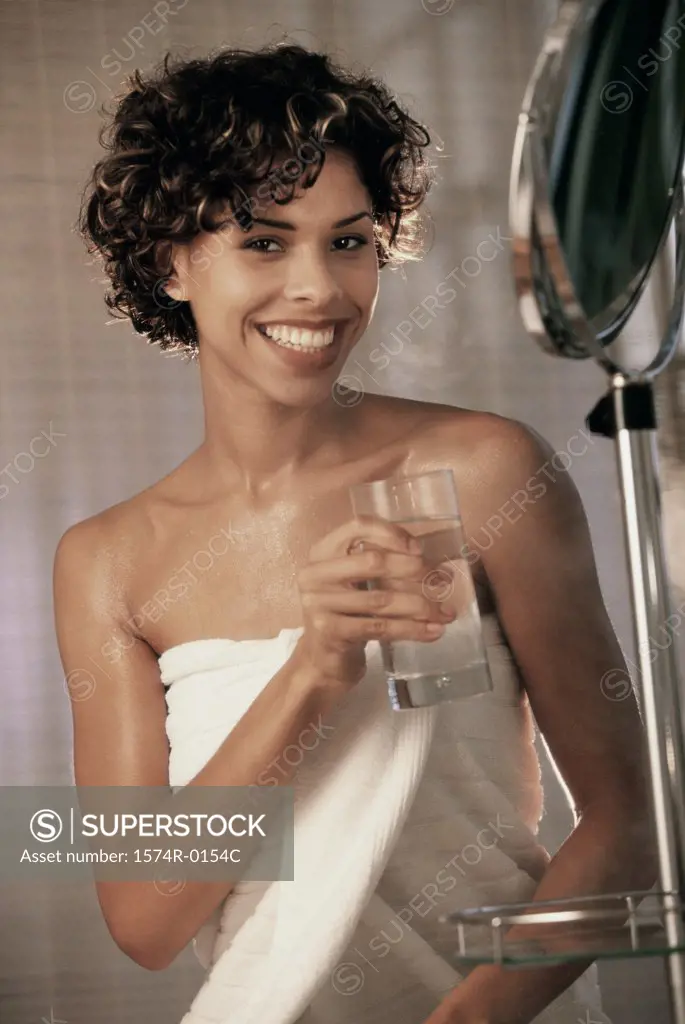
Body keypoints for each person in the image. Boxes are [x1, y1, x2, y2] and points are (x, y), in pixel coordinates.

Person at [54, 42, 656, 1024]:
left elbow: (633, 823)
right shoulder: (106, 562)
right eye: (263, 241)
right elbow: (144, 917)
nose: (319, 291)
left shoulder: (484, 469)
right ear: (169, 263)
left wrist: (479, 1012)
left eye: (349, 240)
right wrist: (313, 672)